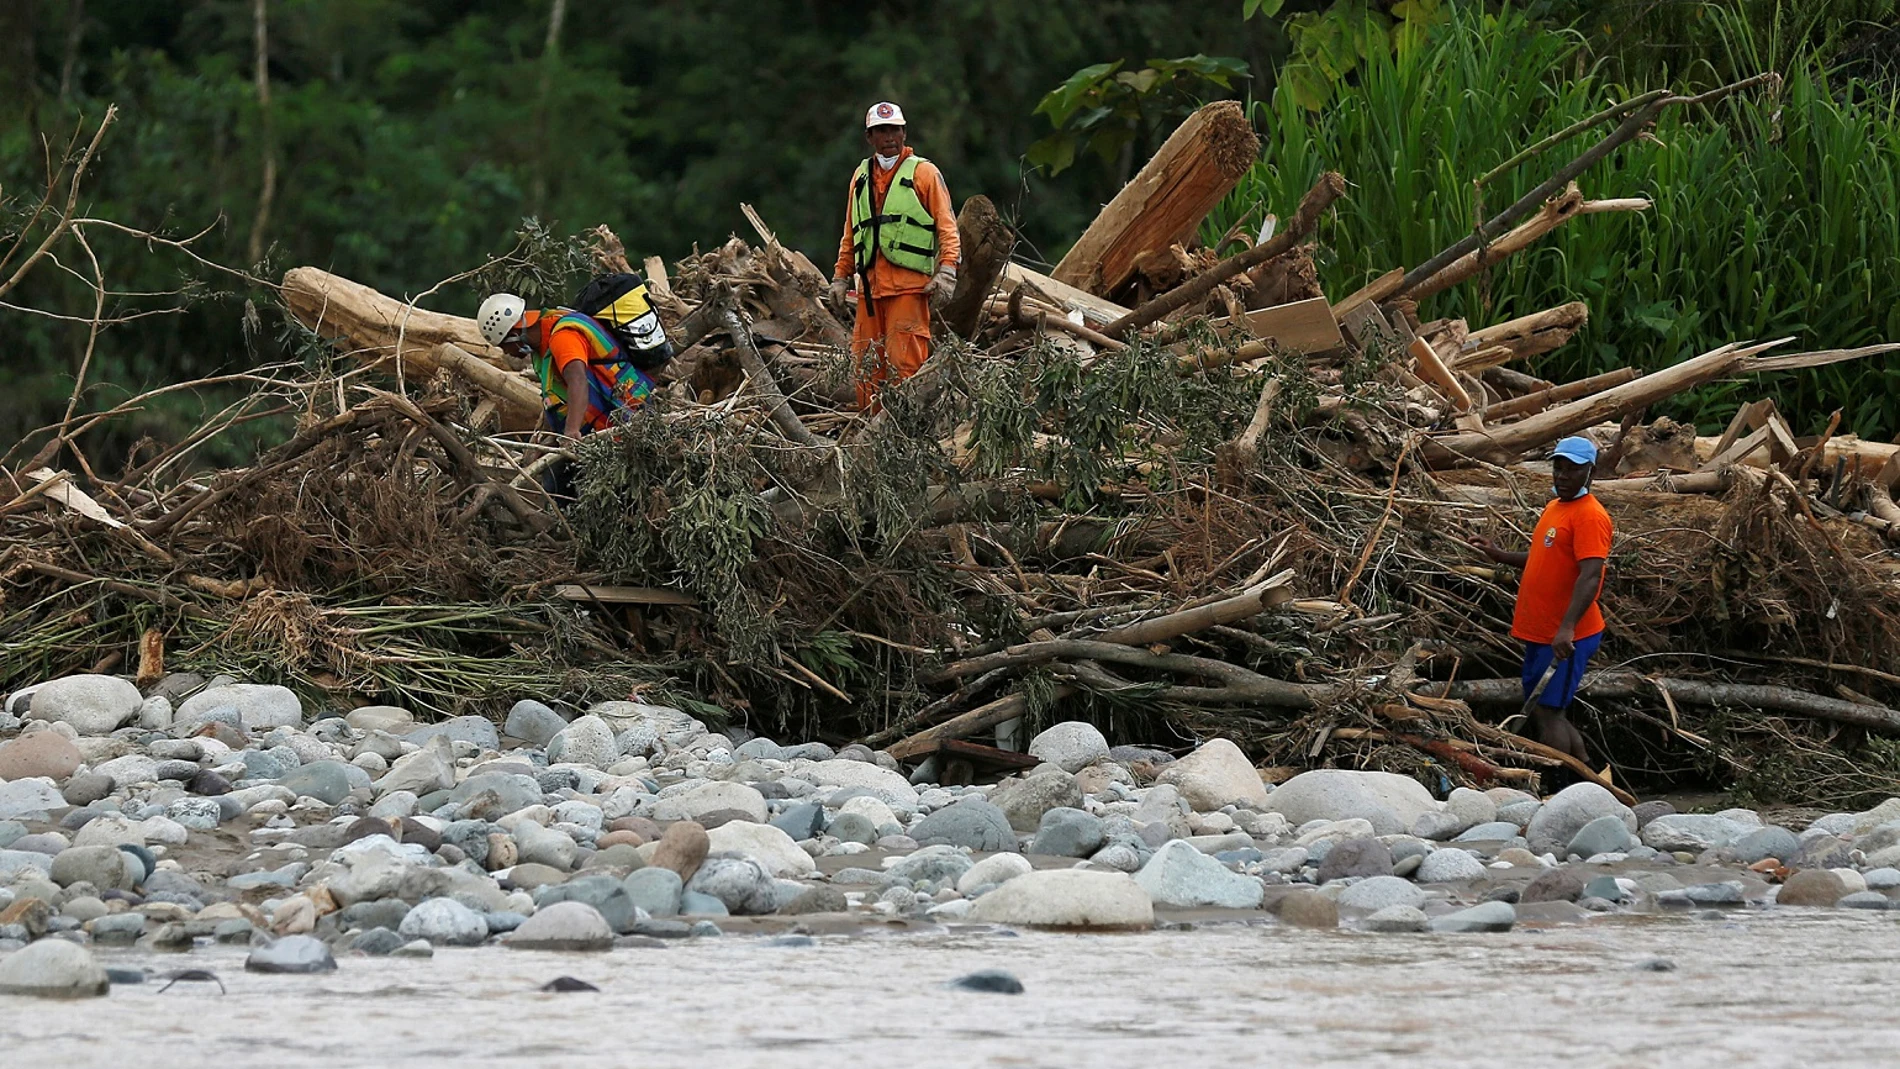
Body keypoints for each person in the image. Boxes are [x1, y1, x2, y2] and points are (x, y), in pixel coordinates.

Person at [1465, 436, 1613, 764]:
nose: (1561, 476)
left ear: (1590, 472)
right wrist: (1499, 554)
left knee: (1549, 712)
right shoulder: (1555, 508)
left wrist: (1567, 628)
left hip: (1565, 635)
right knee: (1547, 710)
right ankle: (1587, 777)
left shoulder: (1590, 516)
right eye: (1557, 468)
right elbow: (1542, 557)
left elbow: (1591, 576)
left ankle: (1556, 786)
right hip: (1541, 630)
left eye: (1571, 470)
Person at [828, 101, 961, 410]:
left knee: (906, 367)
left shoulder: (925, 173)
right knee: (866, 369)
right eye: (881, 131)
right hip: (870, 293)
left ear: (904, 132)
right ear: (869, 137)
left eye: (894, 130)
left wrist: (947, 271)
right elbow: (851, 232)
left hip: (909, 290)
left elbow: (947, 227)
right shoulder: (860, 177)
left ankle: (909, 436)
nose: (889, 137)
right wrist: (839, 276)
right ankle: (871, 440)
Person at [476, 292, 655, 440]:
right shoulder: (541, 349)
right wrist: (544, 437)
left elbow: (578, 380)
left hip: (625, 425)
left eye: (504, 345)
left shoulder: (563, 337)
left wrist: (571, 432)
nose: (506, 353)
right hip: (602, 430)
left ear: (514, 334)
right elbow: (555, 397)